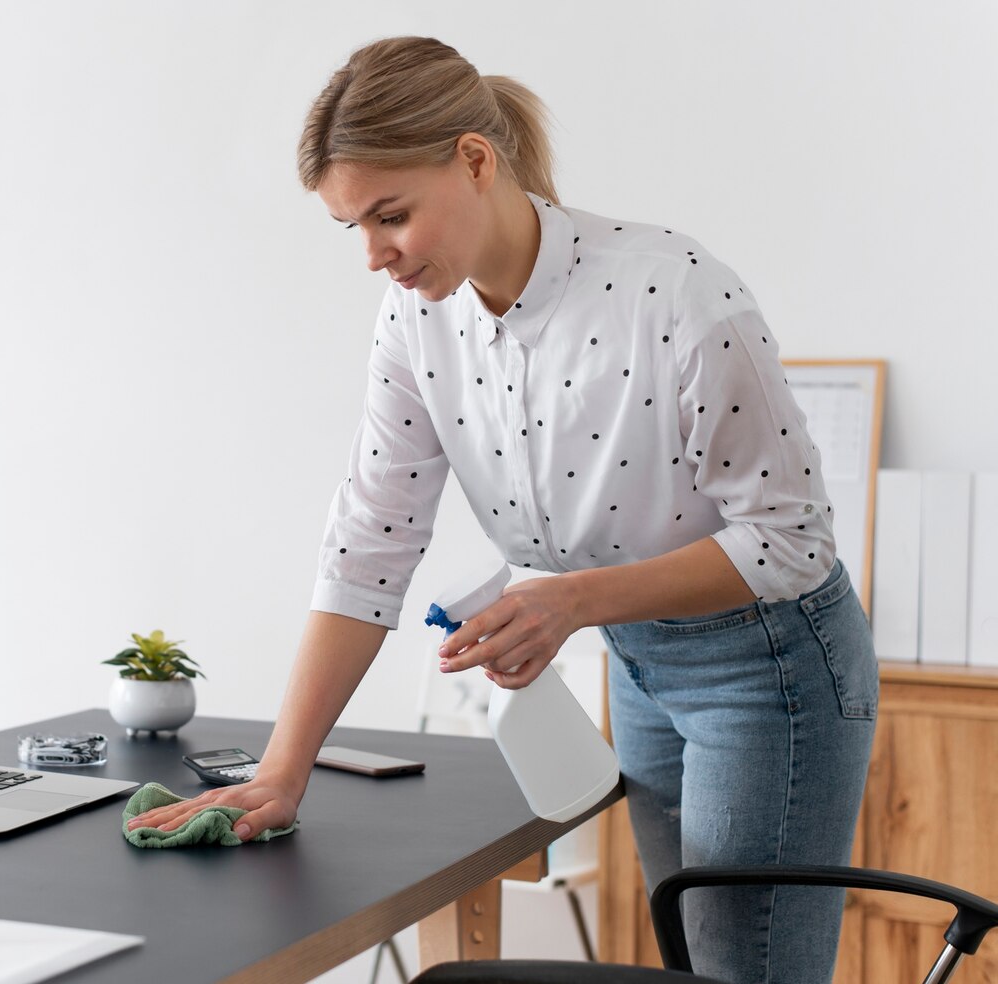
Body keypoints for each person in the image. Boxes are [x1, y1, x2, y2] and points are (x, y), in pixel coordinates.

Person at [127, 36, 877, 984]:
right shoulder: (416, 319)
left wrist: (571, 601)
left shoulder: (676, 293)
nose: (373, 254)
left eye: (390, 215)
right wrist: (282, 770)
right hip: (643, 658)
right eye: (352, 226)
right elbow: (369, 544)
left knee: (744, 974)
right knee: (692, 965)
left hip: (771, 663)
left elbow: (793, 542)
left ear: (475, 160)